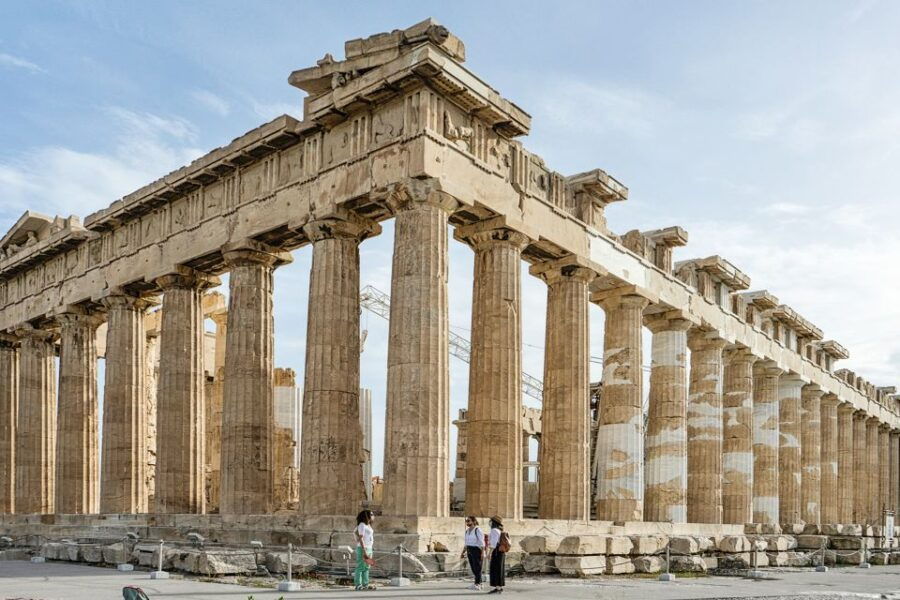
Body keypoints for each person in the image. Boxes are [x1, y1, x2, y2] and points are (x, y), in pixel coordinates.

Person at [459, 516, 486, 590]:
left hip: (477, 550)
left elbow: (482, 542)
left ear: (474, 521)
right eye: (466, 521)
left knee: (477, 568)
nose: (467, 522)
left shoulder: (477, 530)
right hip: (469, 549)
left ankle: (477, 584)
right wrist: (463, 552)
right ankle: (479, 583)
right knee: (473, 568)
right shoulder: (467, 531)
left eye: (469, 521)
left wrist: (482, 553)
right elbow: (466, 542)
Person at [354, 509, 376, 591]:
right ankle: (358, 585)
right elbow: (361, 538)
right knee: (360, 567)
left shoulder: (368, 525)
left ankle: (365, 584)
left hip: (369, 548)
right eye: (372, 514)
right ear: (367, 516)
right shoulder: (362, 525)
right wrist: (364, 551)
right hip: (363, 548)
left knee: (367, 567)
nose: (373, 516)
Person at [487, 516, 507, 594]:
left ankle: (498, 588)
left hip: (496, 551)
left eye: (490, 521)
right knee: (499, 568)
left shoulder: (494, 530)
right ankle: (498, 587)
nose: (490, 523)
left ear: (493, 522)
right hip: (500, 551)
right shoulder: (499, 530)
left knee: (496, 569)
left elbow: (493, 543)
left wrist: (489, 553)